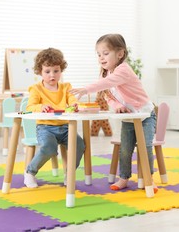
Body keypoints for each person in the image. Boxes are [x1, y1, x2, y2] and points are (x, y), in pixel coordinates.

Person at [70, 34, 157, 192]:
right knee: (125, 148)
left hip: (145, 115)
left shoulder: (123, 69)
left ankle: (148, 178)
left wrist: (86, 89)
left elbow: (108, 83)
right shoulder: (107, 74)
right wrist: (117, 105)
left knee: (145, 147)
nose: (101, 58)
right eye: (98, 54)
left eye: (105, 53)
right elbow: (107, 95)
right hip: (129, 117)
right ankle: (124, 178)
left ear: (120, 54)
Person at [24, 48, 85, 188]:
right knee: (49, 148)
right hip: (46, 128)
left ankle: (69, 174)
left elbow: (73, 100)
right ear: (40, 71)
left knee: (80, 145)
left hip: (65, 127)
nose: (52, 75)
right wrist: (41, 107)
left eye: (56, 71)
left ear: (61, 70)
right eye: (47, 71)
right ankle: (30, 172)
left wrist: (76, 105)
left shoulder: (66, 87)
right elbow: (29, 107)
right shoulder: (36, 89)